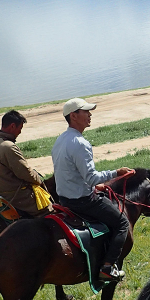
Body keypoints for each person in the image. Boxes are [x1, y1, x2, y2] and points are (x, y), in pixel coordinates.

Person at [52, 98, 134, 283]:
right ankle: (107, 267)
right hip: (83, 201)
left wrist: (93, 186)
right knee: (122, 223)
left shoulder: (60, 140)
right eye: (86, 112)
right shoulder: (80, 143)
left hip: (64, 199)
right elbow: (92, 177)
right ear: (74, 116)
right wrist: (117, 173)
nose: (90, 115)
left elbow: (70, 173)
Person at [0, 110, 54, 218]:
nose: (20, 132)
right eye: (20, 128)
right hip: (16, 195)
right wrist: (39, 180)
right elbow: (26, 173)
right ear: (12, 126)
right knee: (49, 210)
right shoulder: (8, 147)